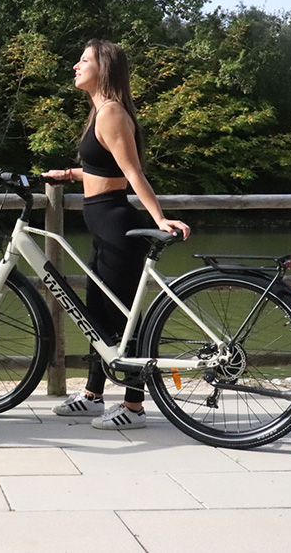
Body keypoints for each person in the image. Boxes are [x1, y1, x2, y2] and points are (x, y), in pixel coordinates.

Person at [46, 39, 190, 431]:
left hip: (116, 224)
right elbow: (104, 168)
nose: (76, 66)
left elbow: (133, 173)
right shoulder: (99, 112)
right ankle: (94, 395)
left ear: (104, 69)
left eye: (84, 60)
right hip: (102, 222)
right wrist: (70, 174)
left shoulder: (110, 113)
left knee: (124, 316)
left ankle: (134, 406)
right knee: (96, 315)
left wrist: (159, 218)